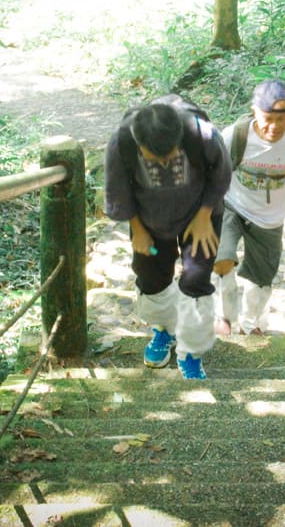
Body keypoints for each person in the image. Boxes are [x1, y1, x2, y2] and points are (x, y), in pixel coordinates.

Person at [103, 96, 231, 379]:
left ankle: (192, 351)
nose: (163, 162)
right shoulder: (122, 142)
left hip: (199, 217)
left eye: (170, 156)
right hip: (149, 222)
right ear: (140, 145)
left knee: (196, 280)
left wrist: (204, 216)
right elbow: (118, 189)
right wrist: (137, 228)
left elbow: (222, 174)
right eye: (155, 157)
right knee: (151, 279)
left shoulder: (201, 133)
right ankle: (164, 330)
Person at [213, 79, 285, 335]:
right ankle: (224, 315)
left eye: (282, 119)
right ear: (254, 111)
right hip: (230, 206)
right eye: (268, 118)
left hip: (270, 220)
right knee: (221, 260)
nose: (274, 127)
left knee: (261, 278)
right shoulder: (234, 135)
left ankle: (252, 323)